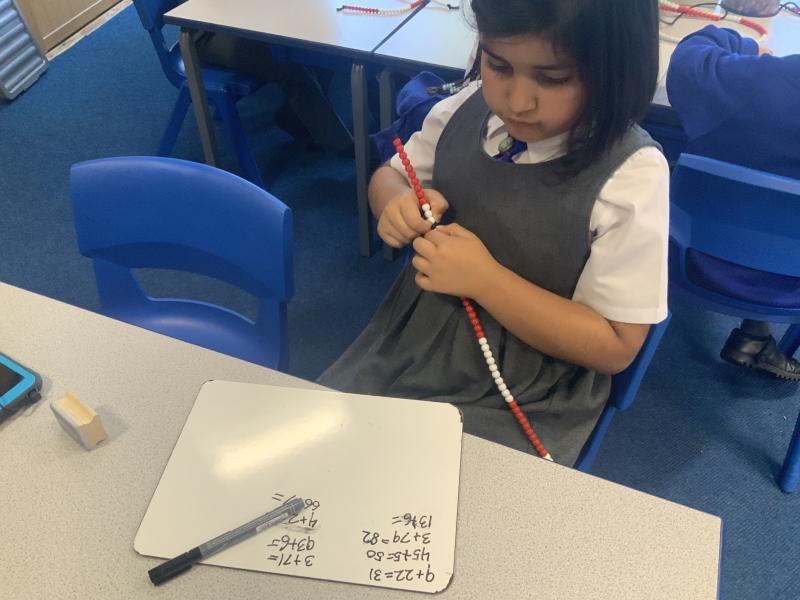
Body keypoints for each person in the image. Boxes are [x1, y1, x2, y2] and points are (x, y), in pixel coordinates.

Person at [318, 0, 669, 466]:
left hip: (526, 388)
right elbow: (391, 175)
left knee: (426, 485)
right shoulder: (464, 109)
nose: (517, 101)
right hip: (410, 341)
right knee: (327, 457)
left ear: (616, 70)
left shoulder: (630, 177)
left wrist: (486, 281)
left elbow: (616, 345)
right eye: (498, 65)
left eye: (553, 78)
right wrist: (395, 203)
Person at [666, 25, 800, 380]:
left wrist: (744, 44)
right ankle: (756, 336)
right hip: (793, 286)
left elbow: (688, 60)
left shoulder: (762, 83)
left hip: (691, 260)